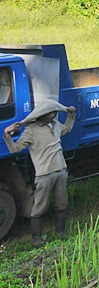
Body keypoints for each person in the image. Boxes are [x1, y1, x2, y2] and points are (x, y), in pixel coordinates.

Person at [3, 99, 76, 247]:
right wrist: (7, 135)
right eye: (50, 112)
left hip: (60, 171)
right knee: (39, 207)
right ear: (41, 115)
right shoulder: (31, 131)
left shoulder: (55, 125)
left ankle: (61, 233)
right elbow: (15, 149)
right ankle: (36, 238)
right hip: (44, 174)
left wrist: (71, 116)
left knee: (62, 203)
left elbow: (67, 129)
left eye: (54, 111)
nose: (53, 114)